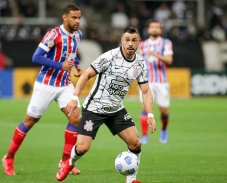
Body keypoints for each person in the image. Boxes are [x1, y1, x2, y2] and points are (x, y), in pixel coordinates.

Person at [56, 26, 157, 183]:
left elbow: (146, 91)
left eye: (134, 40)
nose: (130, 44)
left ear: (139, 42)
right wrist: (75, 97)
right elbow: (86, 75)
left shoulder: (140, 64)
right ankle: (69, 163)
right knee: (82, 148)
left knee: (136, 143)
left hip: (116, 109)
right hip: (94, 108)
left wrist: (150, 113)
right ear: (122, 40)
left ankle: (131, 180)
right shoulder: (109, 57)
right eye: (127, 40)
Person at [2, 4, 83, 176]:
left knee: (76, 119)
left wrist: (76, 65)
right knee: (30, 121)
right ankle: (9, 158)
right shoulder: (54, 34)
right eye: (74, 17)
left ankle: (65, 162)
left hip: (65, 84)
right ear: (65, 17)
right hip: (46, 83)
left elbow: (71, 53)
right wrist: (60, 65)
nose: (77, 21)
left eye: (79, 18)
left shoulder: (78, 35)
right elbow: (36, 57)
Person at [138, 19, 173, 144]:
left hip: (162, 81)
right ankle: (144, 135)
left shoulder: (166, 43)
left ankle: (163, 130)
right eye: (152, 27)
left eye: (157, 27)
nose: (154, 29)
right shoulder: (142, 45)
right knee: (145, 107)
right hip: (146, 81)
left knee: (163, 110)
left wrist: (155, 54)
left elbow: (169, 60)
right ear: (148, 30)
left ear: (161, 30)